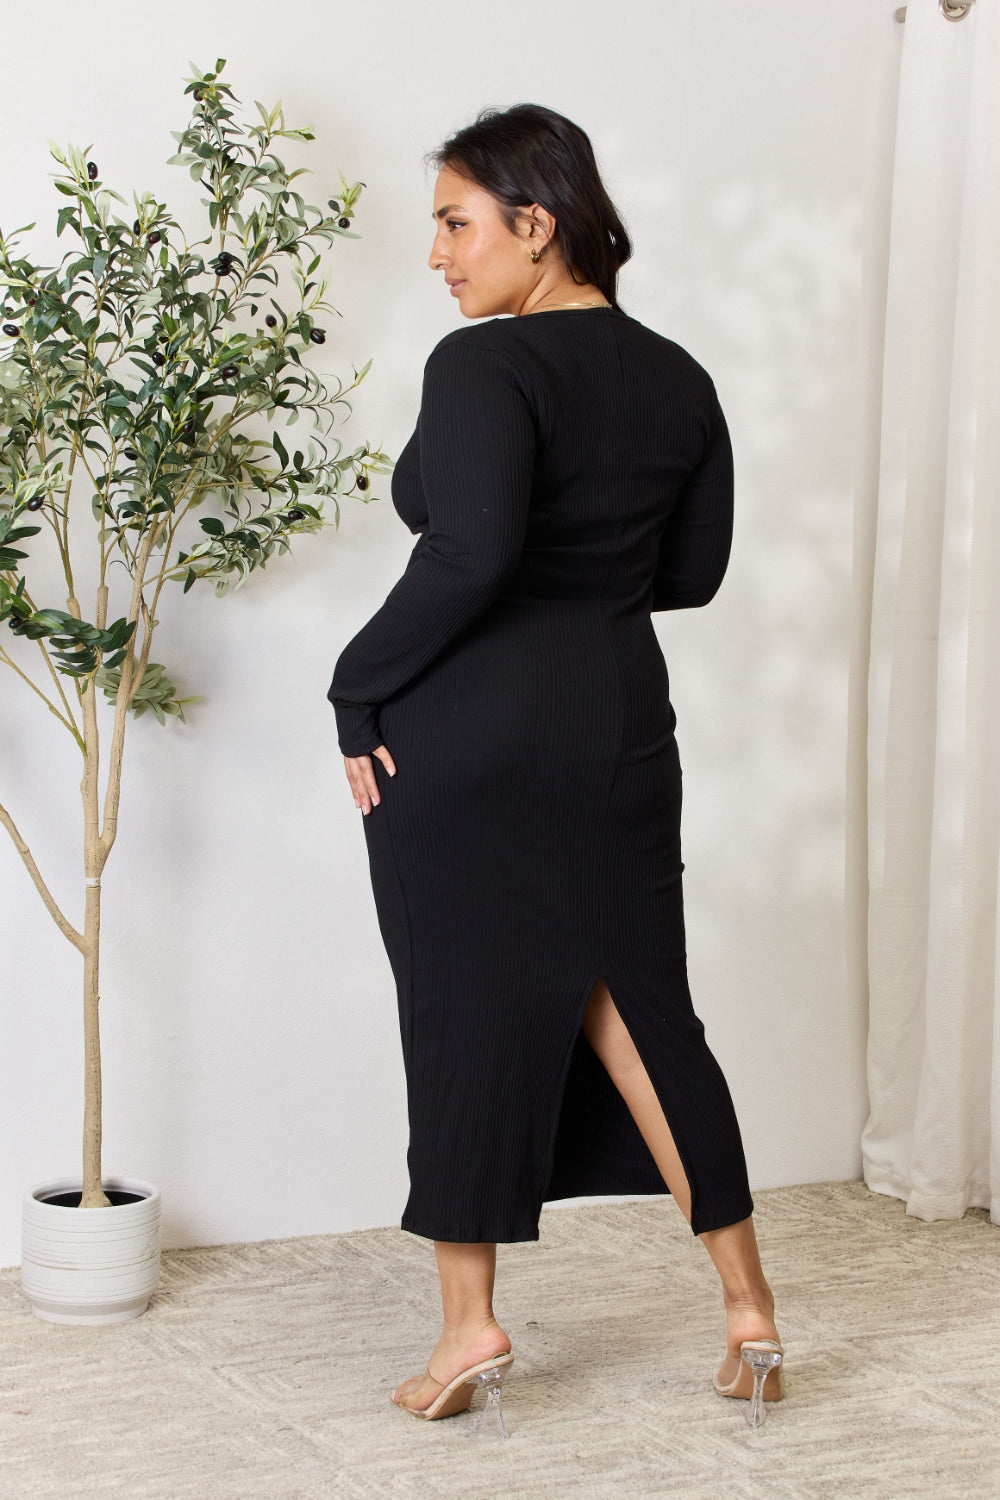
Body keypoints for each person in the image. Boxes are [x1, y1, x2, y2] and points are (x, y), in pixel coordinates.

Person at [329, 103, 783, 1429]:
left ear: (538, 225)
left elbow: (465, 554)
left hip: (467, 736)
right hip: (619, 726)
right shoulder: (680, 377)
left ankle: (469, 1330)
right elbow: (688, 577)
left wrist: (356, 689)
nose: (437, 256)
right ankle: (749, 1305)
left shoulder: (483, 372)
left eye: (457, 224)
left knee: (465, 1017)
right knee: (643, 1012)